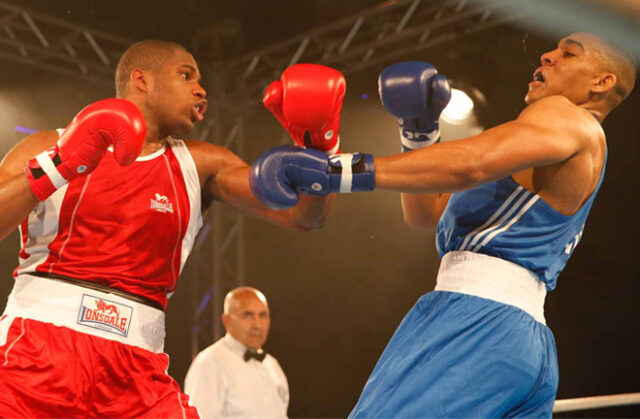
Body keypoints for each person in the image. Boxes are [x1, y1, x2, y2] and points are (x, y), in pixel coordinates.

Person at [248, 32, 637, 417]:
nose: (549, 55)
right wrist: (419, 135)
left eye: (569, 54)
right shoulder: (542, 148)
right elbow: (425, 215)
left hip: (475, 324)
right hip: (522, 343)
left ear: (602, 83)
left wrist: (333, 171)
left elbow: (472, 164)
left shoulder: (567, 118)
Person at [0, 40, 342, 417]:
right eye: (186, 75)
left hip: (137, 370)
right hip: (36, 352)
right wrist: (61, 163)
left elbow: (305, 216)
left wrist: (319, 146)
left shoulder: (202, 163)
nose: (201, 89)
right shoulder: (50, 144)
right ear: (141, 80)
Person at [184, 287, 289, 419]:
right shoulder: (210, 363)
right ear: (226, 321)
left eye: (263, 315)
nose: (257, 324)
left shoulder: (272, 365)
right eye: (247, 315)